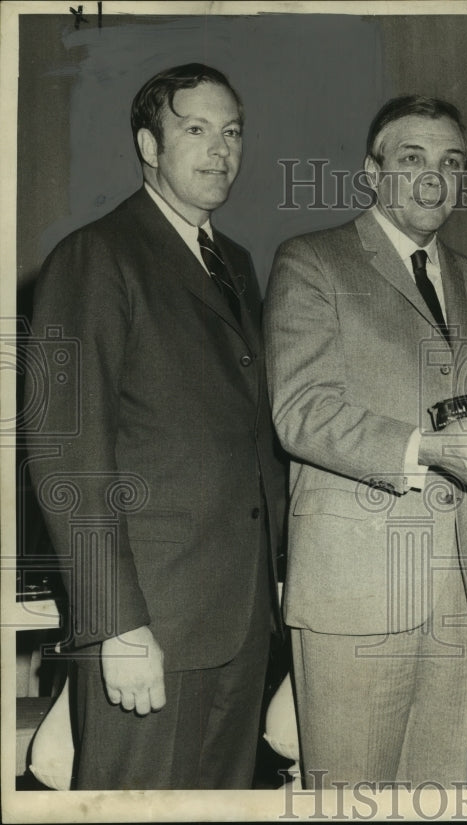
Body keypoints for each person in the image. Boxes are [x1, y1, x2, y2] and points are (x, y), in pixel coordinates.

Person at [263, 94, 467, 788]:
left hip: (454, 594)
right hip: (352, 594)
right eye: (412, 158)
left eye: (451, 163)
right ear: (372, 172)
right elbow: (300, 412)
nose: (434, 177)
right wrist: (427, 448)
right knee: (351, 798)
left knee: (435, 798)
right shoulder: (312, 262)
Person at [27, 64, 287, 789]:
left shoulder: (232, 263)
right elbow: (65, 455)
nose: (221, 150)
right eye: (195, 130)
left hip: (237, 618)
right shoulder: (95, 256)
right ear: (148, 144)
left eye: (232, 131)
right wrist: (115, 622)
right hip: (150, 623)